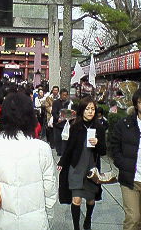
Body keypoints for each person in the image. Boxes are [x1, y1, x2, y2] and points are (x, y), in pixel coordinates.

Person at [0, 92, 57, 230]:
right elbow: (49, 192)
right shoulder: (42, 149)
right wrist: (46, 220)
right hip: (34, 223)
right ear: (31, 117)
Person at [58, 96, 106, 230]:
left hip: (92, 169)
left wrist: (97, 143)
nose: (90, 111)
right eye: (87, 109)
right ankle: (76, 227)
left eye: (92, 109)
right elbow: (69, 147)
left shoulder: (99, 128)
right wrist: (62, 161)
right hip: (76, 168)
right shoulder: (75, 127)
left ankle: (88, 219)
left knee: (90, 199)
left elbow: (103, 151)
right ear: (82, 110)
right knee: (76, 200)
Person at [111, 88, 141, 230]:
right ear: (136, 104)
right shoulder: (124, 124)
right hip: (131, 179)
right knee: (133, 219)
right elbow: (114, 146)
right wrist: (122, 164)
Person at [52, 88, 74, 156]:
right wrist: (58, 118)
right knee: (58, 139)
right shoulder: (56, 102)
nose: (64, 96)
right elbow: (53, 112)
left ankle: (64, 152)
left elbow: (71, 112)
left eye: (66, 95)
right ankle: (59, 152)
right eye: (63, 95)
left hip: (66, 124)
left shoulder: (69, 103)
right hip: (58, 124)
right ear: (60, 95)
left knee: (65, 139)